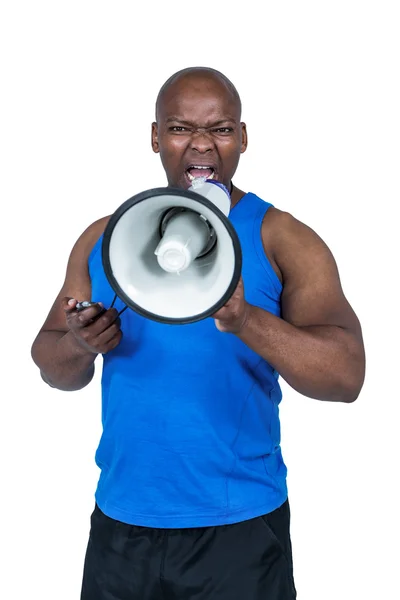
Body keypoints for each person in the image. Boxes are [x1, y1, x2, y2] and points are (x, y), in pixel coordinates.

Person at [31, 67, 365, 600]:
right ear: (156, 137)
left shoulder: (283, 238)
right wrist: (79, 343)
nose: (203, 144)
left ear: (244, 138)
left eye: (222, 129)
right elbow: (52, 367)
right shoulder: (105, 238)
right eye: (182, 128)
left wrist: (246, 319)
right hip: (122, 526)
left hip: (238, 531)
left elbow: (346, 376)